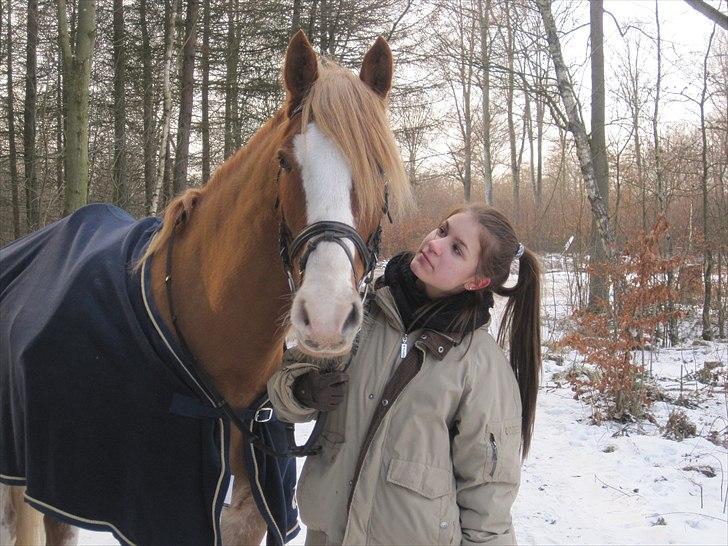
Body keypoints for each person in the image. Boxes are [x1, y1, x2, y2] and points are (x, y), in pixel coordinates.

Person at [268, 204, 542, 545]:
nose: (435, 244)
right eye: (442, 230)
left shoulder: (480, 366)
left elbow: (488, 500)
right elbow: (283, 385)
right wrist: (304, 390)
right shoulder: (360, 315)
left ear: (477, 281)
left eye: (457, 249)